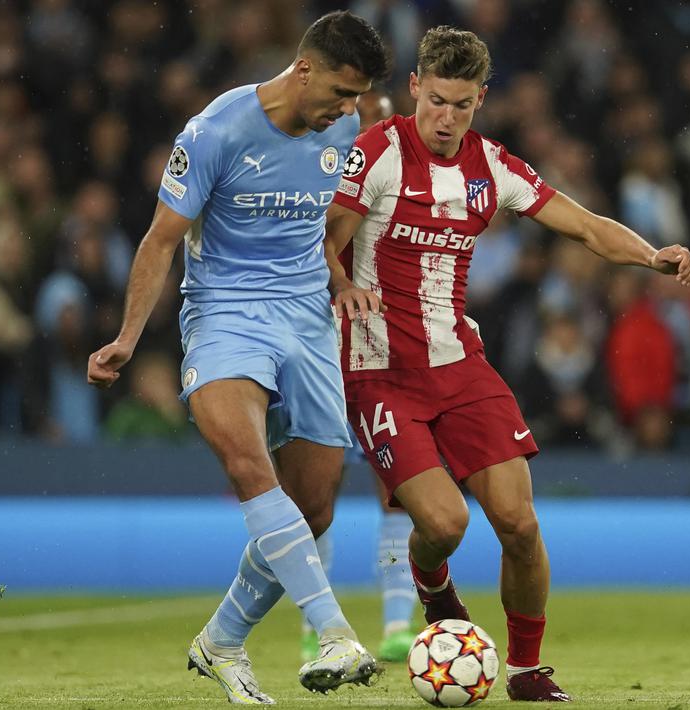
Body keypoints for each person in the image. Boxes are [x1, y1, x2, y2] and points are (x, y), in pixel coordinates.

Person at [323, 26, 690, 702]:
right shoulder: (375, 153)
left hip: (461, 366)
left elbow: (583, 225)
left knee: (520, 525)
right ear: (413, 88)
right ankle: (432, 586)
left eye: (461, 105)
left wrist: (650, 255)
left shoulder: (491, 165)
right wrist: (342, 285)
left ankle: (526, 670)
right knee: (443, 525)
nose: (445, 119)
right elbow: (324, 241)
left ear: (480, 100)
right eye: (436, 101)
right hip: (379, 372)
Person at [86, 11, 390, 704]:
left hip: (308, 321)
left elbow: (338, 217)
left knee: (313, 509)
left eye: (357, 98)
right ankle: (335, 631)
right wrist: (129, 337)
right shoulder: (214, 131)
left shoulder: (347, 124)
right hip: (226, 318)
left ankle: (220, 640)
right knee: (251, 466)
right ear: (302, 68)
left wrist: (340, 276)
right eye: (341, 93)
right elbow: (161, 239)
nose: (348, 110)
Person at [297, 87, 420, 666]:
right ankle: (315, 619)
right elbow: (309, 243)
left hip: (380, 338)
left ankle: (398, 620)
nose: (371, 127)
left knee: (395, 489)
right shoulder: (318, 163)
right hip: (322, 337)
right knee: (317, 491)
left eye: (379, 116)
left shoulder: (398, 165)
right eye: (361, 114)